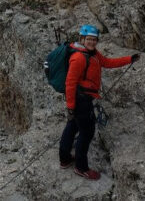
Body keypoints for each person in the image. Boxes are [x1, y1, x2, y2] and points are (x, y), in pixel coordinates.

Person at [59, 24, 140, 180]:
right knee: (87, 132)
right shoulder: (79, 58)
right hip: (81, 100)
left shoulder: (93, 54)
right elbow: (70, 83)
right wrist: (70, 107)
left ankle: (65, 159)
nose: (92, 42)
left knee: (72, 126)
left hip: (81, 99)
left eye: (94, 40)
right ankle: (81, 168)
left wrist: (129, 59)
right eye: (89, 39)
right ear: (82, 39)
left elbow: (108, 63)